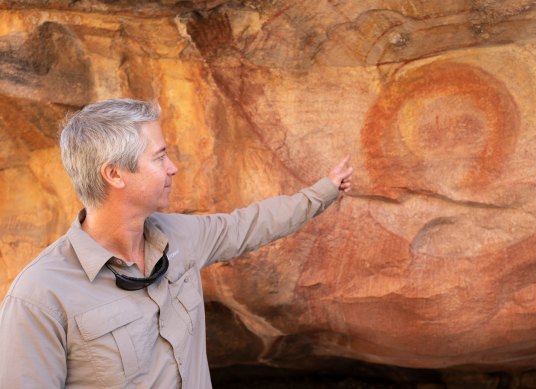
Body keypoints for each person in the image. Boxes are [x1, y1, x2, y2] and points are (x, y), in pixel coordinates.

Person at [0, 98, 352, 388]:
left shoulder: (180, 237)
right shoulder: (40, 296)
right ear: (114, 174)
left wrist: (324, 191)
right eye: (159, 157)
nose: (172, 169)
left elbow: (249, 225)